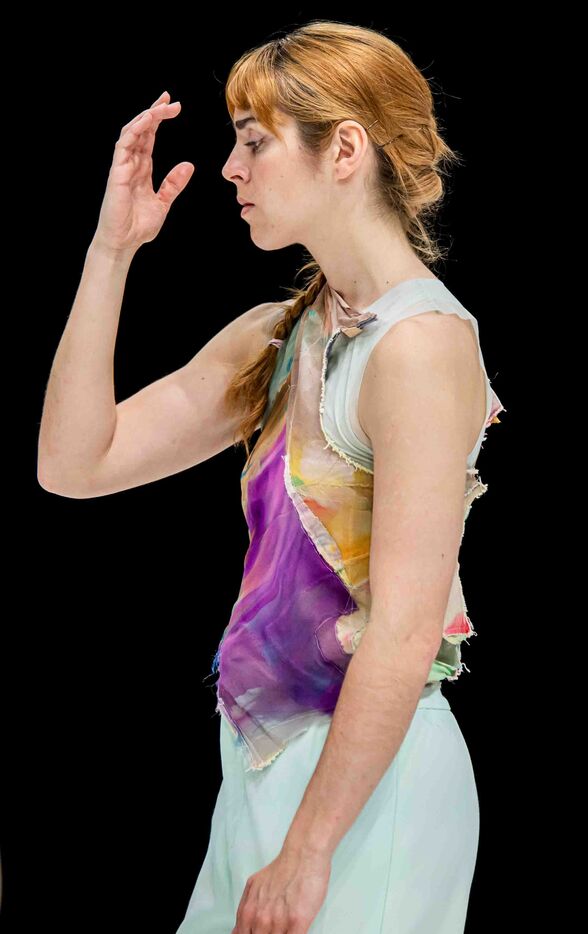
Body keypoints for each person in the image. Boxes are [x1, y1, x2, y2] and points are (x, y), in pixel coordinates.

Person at [37, 21, 505, 934]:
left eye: (254, 142)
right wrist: (110, 252)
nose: (230, 169)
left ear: (344, 150)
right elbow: (73, 464)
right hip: (266, 772)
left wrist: (309, 848)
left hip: (371, 790)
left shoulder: (420, 347)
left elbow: (404, 630)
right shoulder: (275, 337)